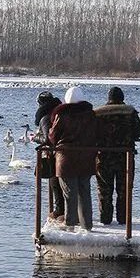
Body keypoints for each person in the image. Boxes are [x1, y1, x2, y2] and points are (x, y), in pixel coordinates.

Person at [49, 86, 100, 231]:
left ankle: (70, 224)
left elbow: (53, 136)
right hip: (86, 157)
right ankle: (87, 225)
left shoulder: (62, 114)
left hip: (66, 158)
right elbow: (97, 132)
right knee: (84, 191)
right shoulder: (90, 115)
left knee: (69, 192)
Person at [93, 86, 140, 225]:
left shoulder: (98, 113)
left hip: (103, 157)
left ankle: (105, 218)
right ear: (122, 98)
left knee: (104, 189)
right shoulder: (130, 112)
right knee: (125, 189)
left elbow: (93, 133)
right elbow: (139, 131)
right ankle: (123, 219)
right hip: (125, 157)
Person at [32, 91, 65, 219]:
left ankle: (59, 210)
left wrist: (35, 137)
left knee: (54, 181)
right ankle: (65, 211)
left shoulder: (45, 117)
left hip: (54, 153)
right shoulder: (59, 112)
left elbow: (46, 138)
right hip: (63, 151)